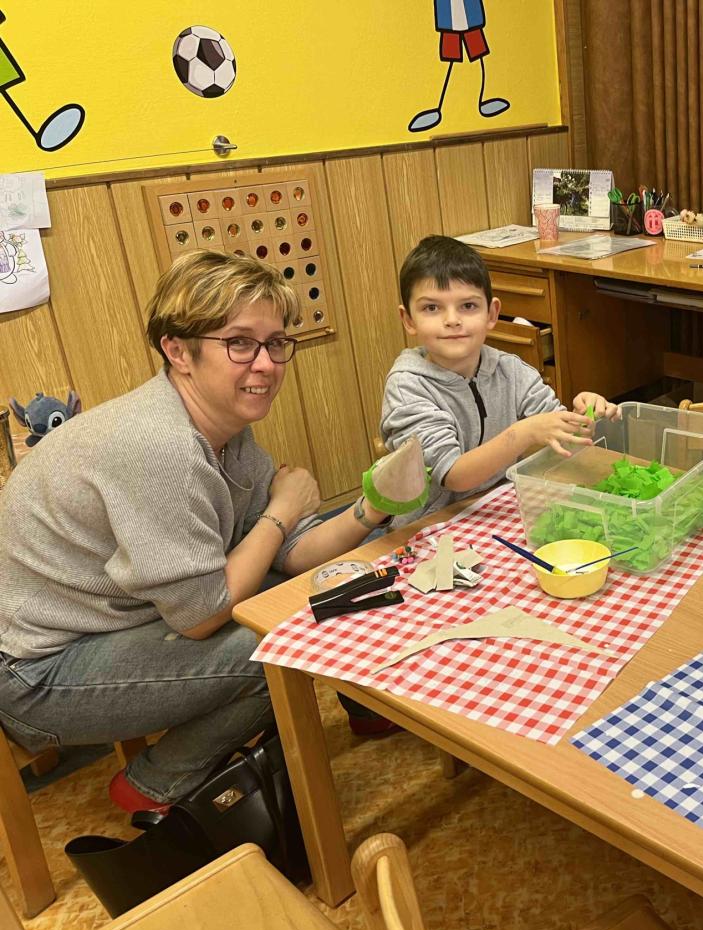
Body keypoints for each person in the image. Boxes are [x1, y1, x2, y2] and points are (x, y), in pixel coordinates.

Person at [0, 252, 407, 814]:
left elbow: (290, 555)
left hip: (124, 618)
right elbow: (201, 617)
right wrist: (281, 511)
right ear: (177, 350)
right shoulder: (160, 446)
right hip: (34, 673)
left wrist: (371, 509)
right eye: (239, 343)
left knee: (327, 586)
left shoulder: (225, 429)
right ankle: (156, 783)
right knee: (285, 645)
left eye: (275, 343)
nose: (265, 364)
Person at [381, 235, 617, 527]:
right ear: (408, 319)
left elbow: (564, 437)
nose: (452, 320)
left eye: (468, 306)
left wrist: (584, 415)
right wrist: (524, 433)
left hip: (497, 507)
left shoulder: (511, 370)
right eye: (432, 308)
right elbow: (453, 474)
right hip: (428, 527)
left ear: (492, 313)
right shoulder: (407, 387)